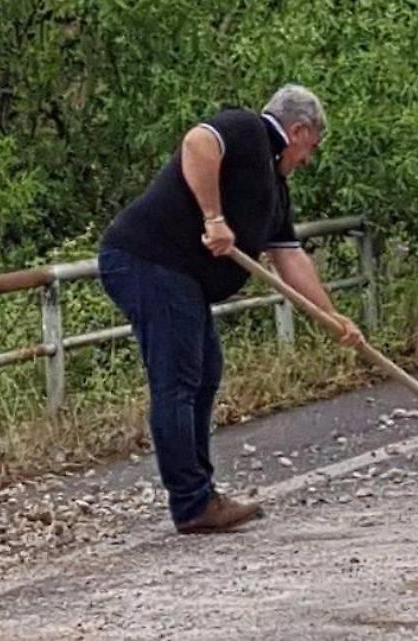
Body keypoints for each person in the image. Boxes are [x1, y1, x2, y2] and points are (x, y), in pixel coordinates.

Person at [97, 84, 364, 534]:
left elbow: (290, 257)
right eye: (311, 148)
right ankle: (192, 503)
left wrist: (332, 317)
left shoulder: (274, 191)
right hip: (147, 260)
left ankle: (201, 494)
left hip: (180, 276)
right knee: (179, 378)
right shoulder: (247, 130)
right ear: (298, 130)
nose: (308, 159)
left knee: (204, 373)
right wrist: (213, 218)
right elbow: (197, 143)